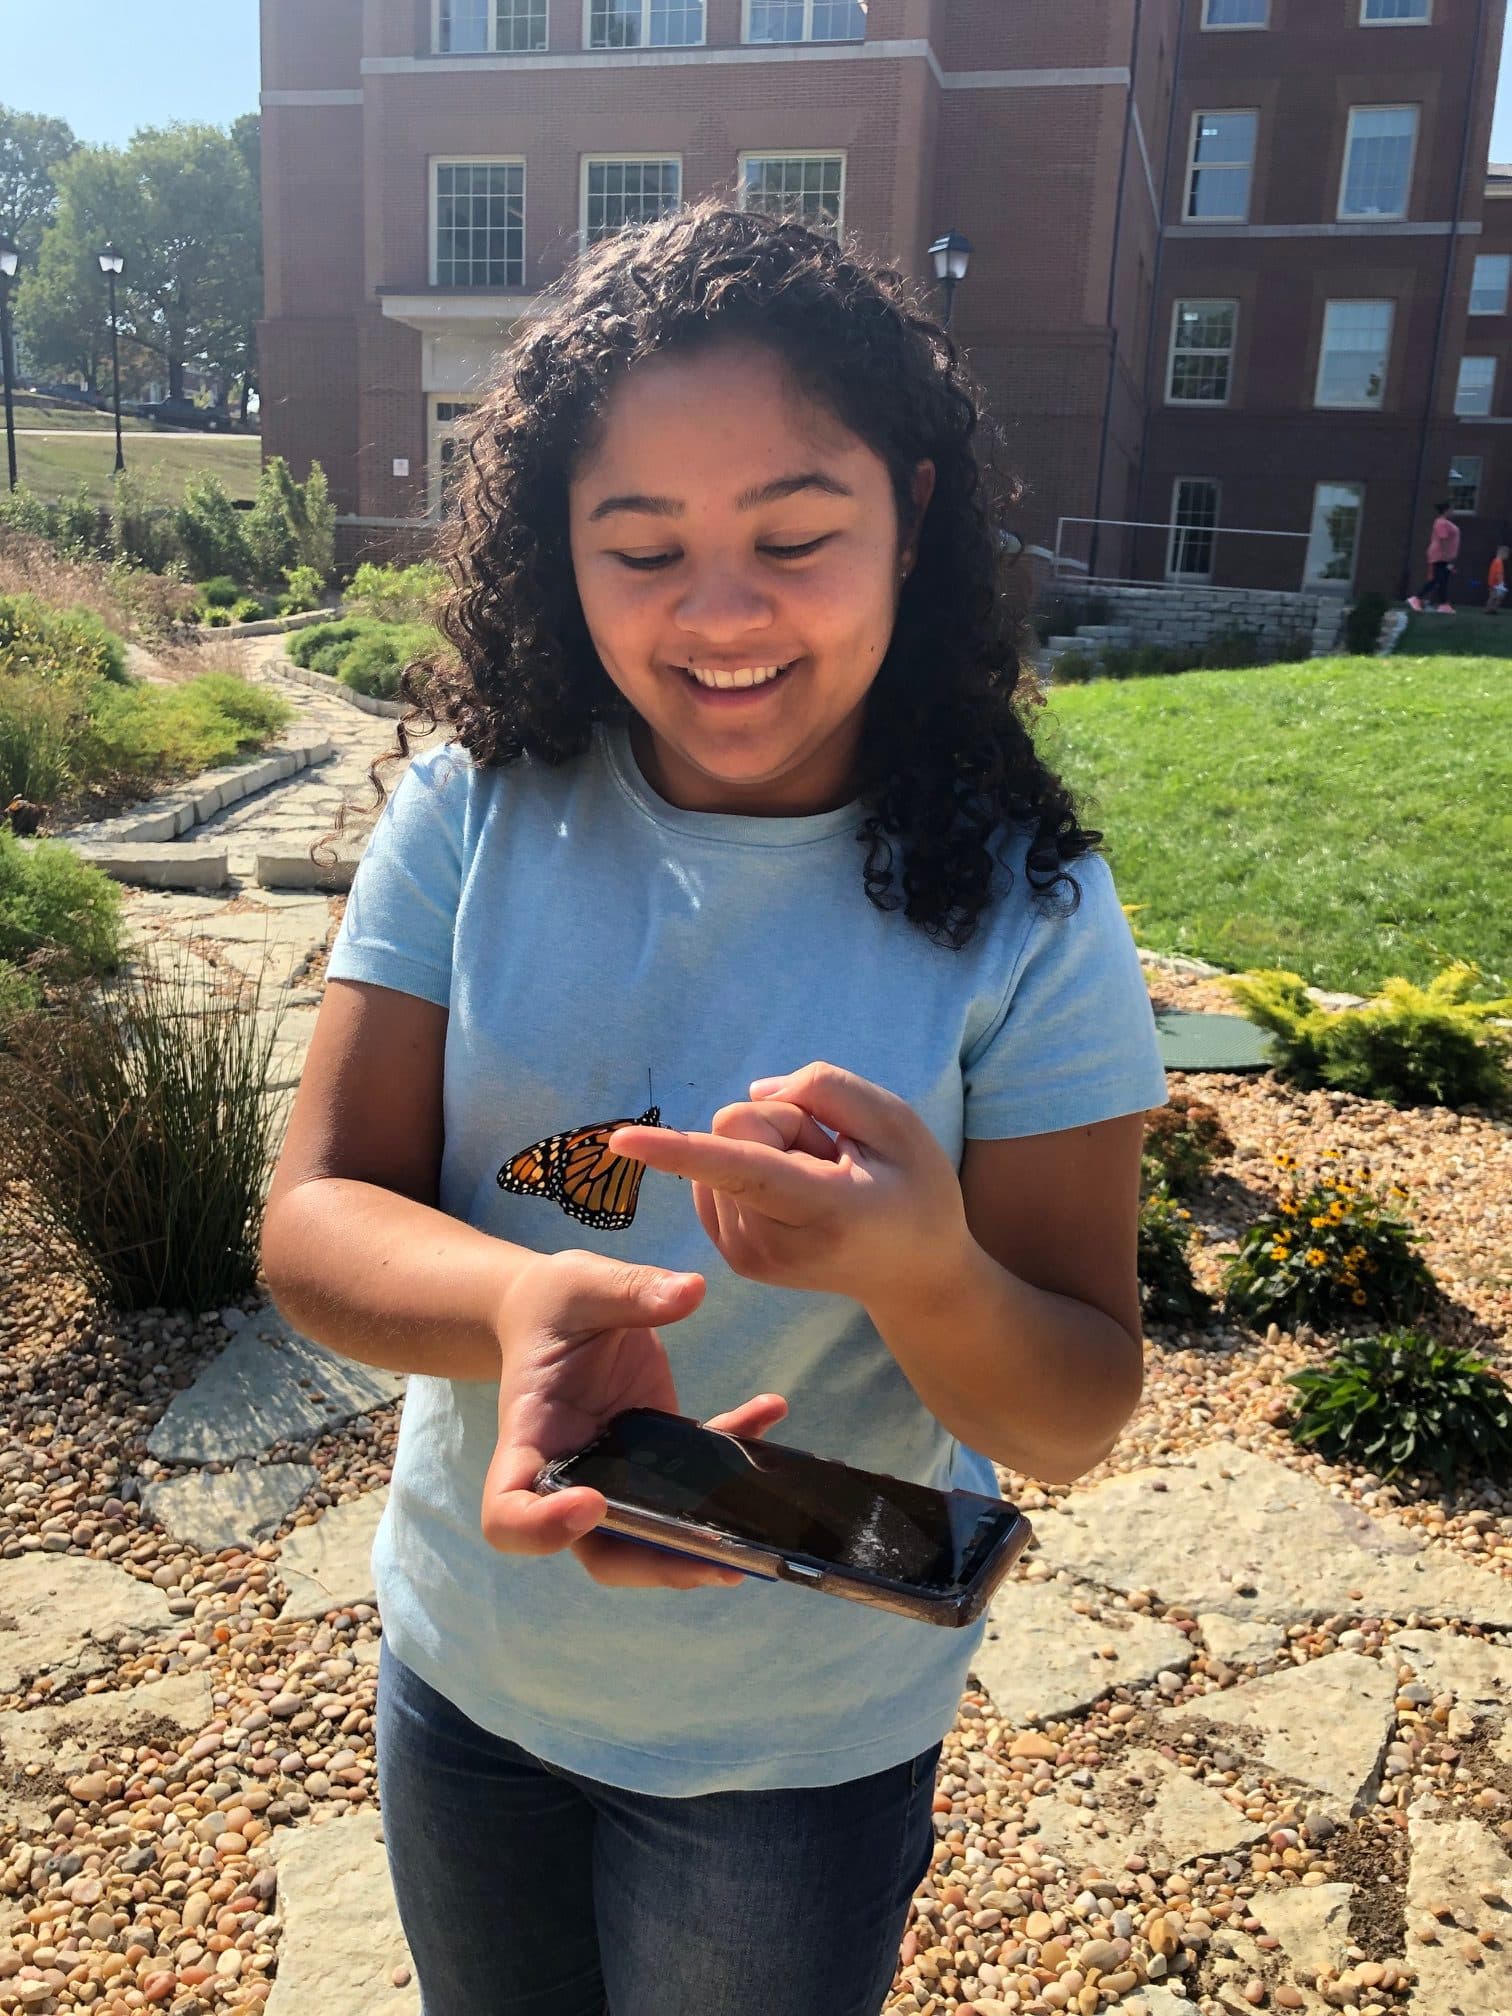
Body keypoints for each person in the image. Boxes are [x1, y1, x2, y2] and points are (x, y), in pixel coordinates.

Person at [260, 202, 1167, 2016]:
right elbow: (314, 1220)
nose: (722, 612)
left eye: (795, 535)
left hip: (794, 1751)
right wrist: (519, 1300)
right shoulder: (472, 811)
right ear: (556, 553)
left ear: (910, 511)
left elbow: (1070, 1406)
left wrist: (924, 1272)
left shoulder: (1028, 908)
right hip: (470, 1664)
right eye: (640, 546)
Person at [1407, 500, 1461, 612]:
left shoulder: (1445, 522)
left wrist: (1449, 559)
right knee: (1437, 579)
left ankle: (1444, 605)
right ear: (1446, 510)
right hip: (1439, 556)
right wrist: (1446, 555)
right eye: (1451, 509)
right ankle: (1416, 598)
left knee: (1443, 580)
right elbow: (1443, 539)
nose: (1453, 511)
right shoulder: (1441, 523)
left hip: (1444, 557)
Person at [1488, 544, 1508, 613]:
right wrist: (1501, 584)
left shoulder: (1495, 561)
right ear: (1503, 553)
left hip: (1492, 583)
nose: (1507, 557)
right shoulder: (1499, 562)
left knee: (1492, 597)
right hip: (1496, 584)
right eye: (1507, 554)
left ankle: (1490, 609)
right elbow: (1499, 574)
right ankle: (1492, 609)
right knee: (1497, 597)